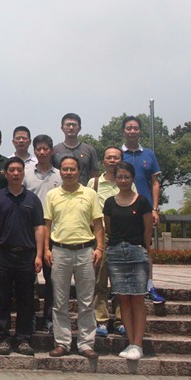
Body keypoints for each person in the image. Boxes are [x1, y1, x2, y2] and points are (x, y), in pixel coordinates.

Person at [44, 156, 104, 360]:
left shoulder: (90, 194)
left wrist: (100, 248)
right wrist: (46, 249)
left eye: (72, 169)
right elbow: (47, 225)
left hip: (85, 251)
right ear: (60, 171)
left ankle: (86, 343)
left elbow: (98, 223)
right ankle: (62, 342)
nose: (68, 173)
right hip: (60, 251)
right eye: (65, 169)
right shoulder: (52, 194)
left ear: (79, 171)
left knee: (86, 301)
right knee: (59, 301)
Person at [0, 157, 44, 356]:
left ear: (23, 172)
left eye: (19, 170)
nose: (16, 173)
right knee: (1, 299)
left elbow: (39, 228)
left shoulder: (32, 199)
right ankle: (2, 338)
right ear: (6, 173)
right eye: (11, 170)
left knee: (26, 300)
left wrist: (39, 254)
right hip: (3, 254)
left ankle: (23, 339)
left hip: (26, 256)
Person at [103, 161, 153, 360]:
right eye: (119, 177)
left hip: (137, 252)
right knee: (122, 298)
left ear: (132, 179)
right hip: (116, 253)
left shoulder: (142, 202)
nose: (123, 180)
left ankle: (138, 344)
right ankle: (130, 342)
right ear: (115, 179)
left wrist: (148, 254)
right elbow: (109, 229)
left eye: (127, 177)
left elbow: (147, 231)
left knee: (138, 298)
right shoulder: (109, 203)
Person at [121, 115, 165, 304]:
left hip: (144, 209)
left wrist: (155, 209)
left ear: (140, 131)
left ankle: (149, 286)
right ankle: (120, 287)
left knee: (146, 248)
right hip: (122, 207)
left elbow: (155, 183)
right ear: (123, 131)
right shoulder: (118, 154)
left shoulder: (148, 154)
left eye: (135, 128)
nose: (132, 131)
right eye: (129, 128)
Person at [89, 147, 133, 337]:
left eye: (116, 157)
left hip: (123, 237)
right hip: (101, 237)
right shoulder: (94, 183)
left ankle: (121, 319)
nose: (112, 160)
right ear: (103, 161)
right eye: (109, 157)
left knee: (121, 281)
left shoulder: (127, 182)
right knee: (99, 281)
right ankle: (101, 320)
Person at [23, 134, 62, 333]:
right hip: (29, 233)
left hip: (54, 233)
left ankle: (49, 318)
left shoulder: (60, 175)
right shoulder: (26, 174)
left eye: (46, 148)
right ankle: (28, 318)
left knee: (52, 279)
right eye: (38, 149)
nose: (42, 152)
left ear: (51, 151)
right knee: (28, 279)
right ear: (34, 151)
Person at [51, 113, 99, 185]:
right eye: (68, 125)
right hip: (60, 190)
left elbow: (94, 175)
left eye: (74, 125)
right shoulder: (55, 150)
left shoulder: (89, 150)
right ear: (62, 128)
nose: (71, 127)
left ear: (79, 128)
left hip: (84, 190)